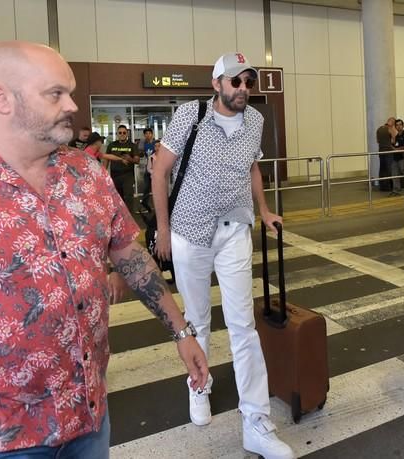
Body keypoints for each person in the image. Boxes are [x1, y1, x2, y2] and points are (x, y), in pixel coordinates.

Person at [0, 40, 208, 458]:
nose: (72, 105)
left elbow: (130, 258)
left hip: (88, 421)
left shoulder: (87, 173)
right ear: (2, 99)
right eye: (55, 93)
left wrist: (182, 332)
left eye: (71, 92)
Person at [152, 52, 294, 459]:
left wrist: (263, 210)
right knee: (196, 321)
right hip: (189, 231)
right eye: (236, 82)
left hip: (235, 230)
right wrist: (163, 229)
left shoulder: (256, 121)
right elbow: (160, 171)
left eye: (248, 82)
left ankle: (256, 421)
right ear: (217, 84)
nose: (243, 89)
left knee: (243, 325)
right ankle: (200, 385)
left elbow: (253, 167)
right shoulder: (189, 116)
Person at [107, 124, 140, 212]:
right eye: (120, 132)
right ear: (117, 134)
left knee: (128, 197)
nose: (122, 134)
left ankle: (129, 218)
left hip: (128, 175)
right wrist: (104, 172)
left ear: (127, 134)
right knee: (117, 197)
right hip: (114, 175)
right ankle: (120, 217)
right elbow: (106, 159)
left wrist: (130, 159)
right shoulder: (111, 145)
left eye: (124, 132)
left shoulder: (132, 145)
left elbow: (137, 160)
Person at [138, 127, 156, 212]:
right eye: (146, 134)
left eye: (149, 133)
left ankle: (158, 206)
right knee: (146, 188)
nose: (148, 135)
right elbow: (140, 154)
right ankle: (145, 205)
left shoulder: (156, 144)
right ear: (144, 135)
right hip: (147, 169)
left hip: (156, 169)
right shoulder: (143, 144)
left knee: (156, 188)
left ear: (152, 134)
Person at [376, 117, 396, 192]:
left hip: (381, 151)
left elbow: (377, 141)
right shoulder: (390, 129)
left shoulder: (379, 129)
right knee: (389, 169)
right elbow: (393, 141)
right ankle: (388, 187)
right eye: (394, 123)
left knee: (382, 169)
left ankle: (382, 186)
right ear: (392, 123)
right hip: (388, 151)